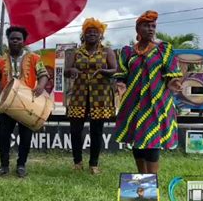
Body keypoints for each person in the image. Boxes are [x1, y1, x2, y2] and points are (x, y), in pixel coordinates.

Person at [114, 10, 183, 174]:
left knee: (152, 141)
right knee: (136, 142)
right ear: (138, 29)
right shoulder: (127, 52)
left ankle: (152, 180)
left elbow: (172, 73)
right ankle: (141, 177)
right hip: (133, 103)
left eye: (153, 26)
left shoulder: (163, 50)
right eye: (146, 26)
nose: (150, 29)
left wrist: (174, 82)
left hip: (156, 102)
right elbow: (121, 74)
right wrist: (120, 85)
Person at [0, 26, 49, 178]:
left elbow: (43, 74)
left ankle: (21, 165)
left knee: (26, 136)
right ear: (8, 41)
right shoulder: (1, 60)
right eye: (12, 39)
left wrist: (41, 86)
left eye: (18, 39)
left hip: (27, 104)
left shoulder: (34, 58)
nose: (15, 41)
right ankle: (4, 166)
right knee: (3, 136)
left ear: (23, 41)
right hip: (7, 105)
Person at [64, 18, 117, 175]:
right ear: (84, 34)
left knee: (96, 130)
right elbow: (66, 71)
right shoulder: (75, 52)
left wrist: (103, 71)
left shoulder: (107, 51)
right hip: (79, 94)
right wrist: (71, 71)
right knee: (75, 130)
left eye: (95, 32)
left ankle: (94, 164)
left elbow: (115, 69)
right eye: (89, 32)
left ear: (100, 35)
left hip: (100, 96)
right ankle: (77, 162)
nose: (92, 34)